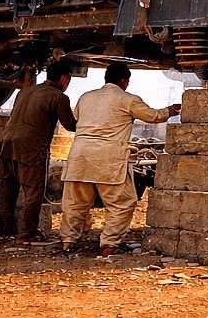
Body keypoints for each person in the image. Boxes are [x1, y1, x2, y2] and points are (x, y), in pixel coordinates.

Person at [60, 62, 179, 256]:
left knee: (75, 204)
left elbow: (77, 119)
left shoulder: (86, 97)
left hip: (79, 157)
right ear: (124, 81)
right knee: (123, 203)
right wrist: (171, 111)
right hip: (108, 159)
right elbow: (153, 116)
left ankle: (68, 241)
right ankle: (109, 243)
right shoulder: (127, 99)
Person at [0, 60, 76, 242]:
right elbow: (71, 125)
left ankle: (6, 229)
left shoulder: (24, 91)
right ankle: (26, 233)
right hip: (30, 149)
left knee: (8, 190)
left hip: (6, 144)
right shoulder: (58, 97)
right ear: (64, 79)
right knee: (34, 192)